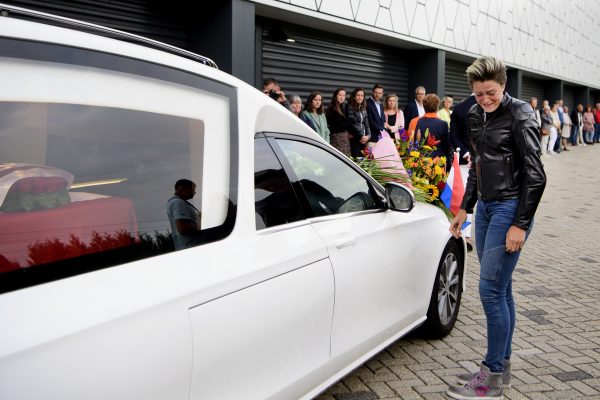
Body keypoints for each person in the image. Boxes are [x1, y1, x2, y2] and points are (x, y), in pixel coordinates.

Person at [448, 56, 546, 400]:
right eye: (479, 94)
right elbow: (478, 164)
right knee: (501, 289)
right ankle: (500, 371)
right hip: (486, 209)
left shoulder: (520, 113)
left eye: (491, 92)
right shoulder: (475, 115)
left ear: (503, 85)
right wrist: (465, 208)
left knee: (489, 290)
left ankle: (489, 378)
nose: (485, 99)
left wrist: (520, 223)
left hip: (510, 208)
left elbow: (536, 174)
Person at [414, 94, 451, 163]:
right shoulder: (443, 124)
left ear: (424, 106)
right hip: (438, 161)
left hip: (422, 161)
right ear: (437, 106)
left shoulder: (419, 121)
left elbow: (416, 143)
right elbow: (446, 147)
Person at [167, 179, 202, 250]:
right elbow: (183, 228)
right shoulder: (178, 203)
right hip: (191, 248)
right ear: (181, 188)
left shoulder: (175, 202)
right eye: (192, 189)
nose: (194, 192)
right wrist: (201, 225)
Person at [345, 88, 371, 157]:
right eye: (358, 95)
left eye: (362, 96)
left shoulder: (363, 108)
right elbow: (353, 123)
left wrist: (368, 136)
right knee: (356, 159)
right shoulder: (350, 107)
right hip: (355, 138)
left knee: (364, 160)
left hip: (363, 139)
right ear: (354, 97)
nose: (360, 97)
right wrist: (362, 136)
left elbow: (366, 124)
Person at [326, 88, 351, 156]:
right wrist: (348, 123)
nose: (342, 97)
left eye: (343, 95)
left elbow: (346, 122)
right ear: (335, 96)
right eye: (340, 95)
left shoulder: (343, 107)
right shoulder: (332, 108)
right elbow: (339, 124)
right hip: (336, 138)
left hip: (344, 138)